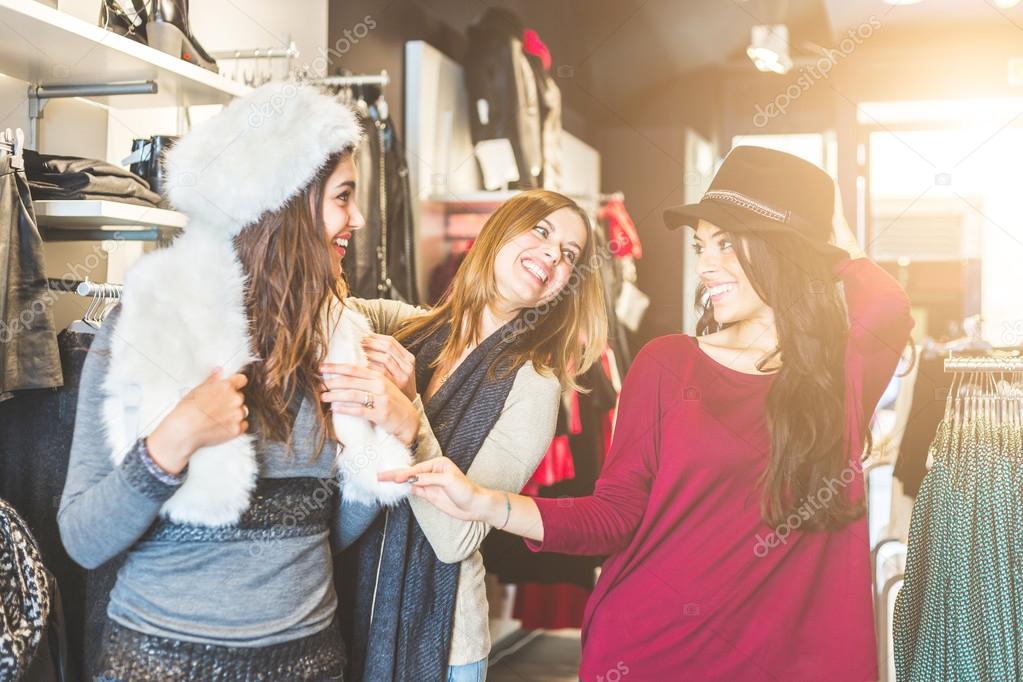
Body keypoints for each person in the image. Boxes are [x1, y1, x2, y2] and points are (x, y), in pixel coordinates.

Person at [381, 147, 915, 681]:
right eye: (702, 244)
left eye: (727, 244)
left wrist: (832, 241)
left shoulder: (836, 375)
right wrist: (484, 503)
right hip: (651, 653)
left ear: (784, 251)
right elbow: (614, 515)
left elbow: (889, 306)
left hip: (791, 663)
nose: (705, 264)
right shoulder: (668, 364)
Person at [58, 83, 421, 680]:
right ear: (281, 203)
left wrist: (396, 431)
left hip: (310, 663)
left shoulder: (338, 339)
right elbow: (82, 539)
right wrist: (169, 443)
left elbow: (329, 535)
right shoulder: (147, 330)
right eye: (343, 197)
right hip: (161, 664)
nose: (357, 219)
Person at [325, 189, 608, 682]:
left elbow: (457, 538)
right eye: (541, 231)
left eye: (568, 255)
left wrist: (411, 417)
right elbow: (324, 306)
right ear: (500, 231)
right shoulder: (409, 328)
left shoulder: (535, 386)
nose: (551, 255)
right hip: (351, 610)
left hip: (443, 644)